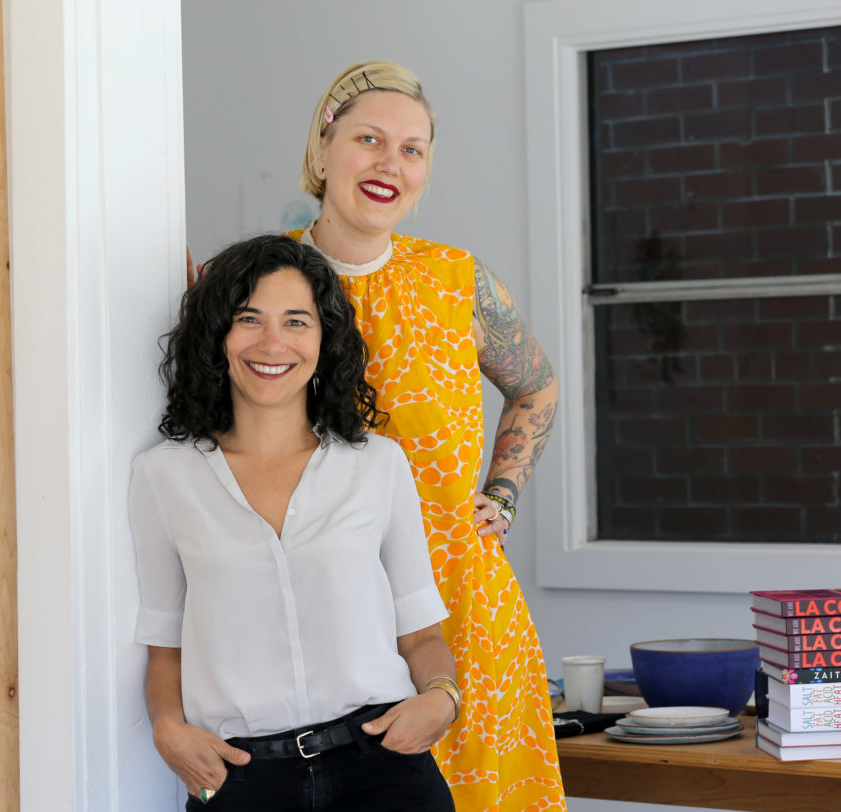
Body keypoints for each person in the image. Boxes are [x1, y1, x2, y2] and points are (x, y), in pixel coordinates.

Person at [290, 61, 564, 811]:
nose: (391, 163)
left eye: (413, 150)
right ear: (322, 151)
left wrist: (500, 498)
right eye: (369, 139)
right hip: (325, 604)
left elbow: (537, 385)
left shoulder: (457, 280)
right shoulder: (261, 282)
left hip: (464, 610)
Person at [132, 234, 459, 811]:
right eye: (248, 319)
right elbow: (164, 648)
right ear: (218, 338)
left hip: (384, 772)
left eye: (296, 321)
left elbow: (422, 635)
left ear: (325, 338)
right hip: (243, 781)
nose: (273, 342)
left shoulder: (378, 465)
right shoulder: (164, 477)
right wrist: (167, 729)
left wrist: (442, 698)